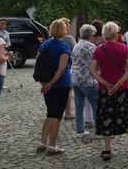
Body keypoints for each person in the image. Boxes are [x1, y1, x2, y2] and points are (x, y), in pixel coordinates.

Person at [88, 22, 128, 161]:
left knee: (106, 117)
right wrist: (118, 84)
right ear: (115, 34)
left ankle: (107, 150)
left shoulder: (98, 50)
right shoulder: (124, 48)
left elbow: (92, 71)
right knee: (126, 116)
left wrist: (106, 84)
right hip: (123, 89)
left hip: (105, 90)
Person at [36, 19, 72, 154]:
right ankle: (52, 145)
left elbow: (38, 66)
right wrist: (51, 83)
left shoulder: (44, 45)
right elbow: (61, 69)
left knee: (49, 113)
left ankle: (42, 142)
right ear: (64, 30)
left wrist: (44, 84)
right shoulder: (63, 47)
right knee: (56, 115)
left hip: (46, 84)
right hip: (61, 84)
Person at [71, 24, 98, 138]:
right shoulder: (90, 46)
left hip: (76, 79)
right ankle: (99, 129)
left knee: (79, 105)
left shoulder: (77, 45)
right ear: (90, 35)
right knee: (97, 104)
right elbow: (97, 60)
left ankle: (80, 130)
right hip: (87, 80)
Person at [59, 17, 76, 120]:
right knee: (68, 90)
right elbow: (75, 52)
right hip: (67, 67)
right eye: (68, 26)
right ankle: (68, 112)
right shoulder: (69, 38)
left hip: (55, 67)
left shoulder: (52, 39)